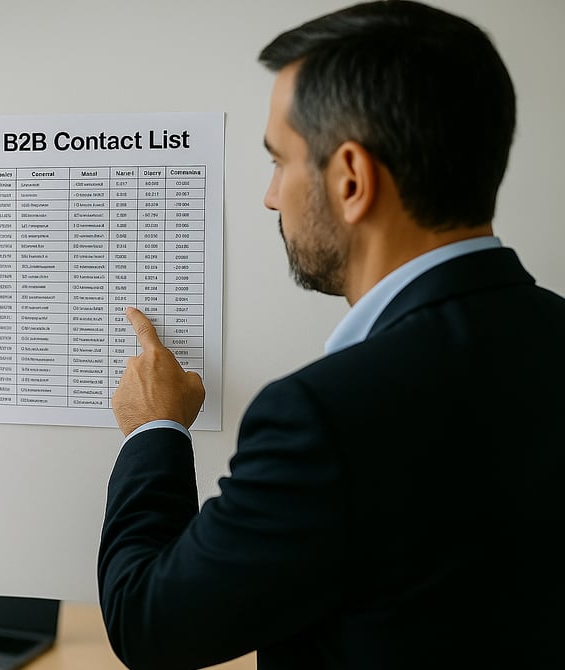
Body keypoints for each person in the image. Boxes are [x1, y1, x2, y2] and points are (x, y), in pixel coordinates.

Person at [98, 2, 565, 669]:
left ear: (351, 179)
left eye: (279, 162)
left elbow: (149, 624)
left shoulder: (325, 418)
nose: (270, 196)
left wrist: (154, 432)